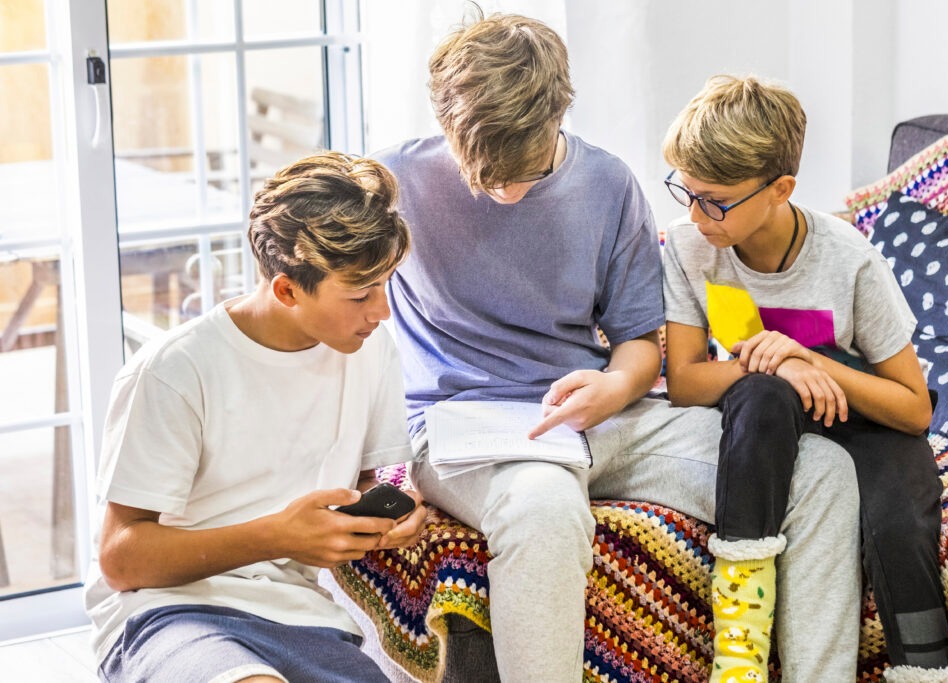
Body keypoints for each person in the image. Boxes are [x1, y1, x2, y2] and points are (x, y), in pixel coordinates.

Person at [374, 9, 863, 682]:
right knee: (544, 506)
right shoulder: (393, 181)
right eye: (479, 168)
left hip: (598, 421)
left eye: (518, 170)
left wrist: (613, 386)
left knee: (821, 472)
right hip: (466, 435)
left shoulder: (607, 185)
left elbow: (640, 344)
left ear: (557, 116)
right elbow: (334, 310)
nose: (499, 189)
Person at [84, 151, 428, 683]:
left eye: (385, 286)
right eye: (360, 294)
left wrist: (396, 506)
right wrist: (277, 536)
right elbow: (121, 559)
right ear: (287, 289)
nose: (381, 311)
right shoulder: (176, 370)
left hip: (303, 616)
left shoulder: (370, 350)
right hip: (169, 612)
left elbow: (378, 476)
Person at [661, 75, 948, 683]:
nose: (695, 215)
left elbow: (913, 410)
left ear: (781, 190)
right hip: (765, 408)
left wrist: (812, 359)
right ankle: (739, 657)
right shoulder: (692, 247)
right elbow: (686, 384)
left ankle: (924, 667)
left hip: (862, 416)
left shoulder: (849, 259)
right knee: (763, 391)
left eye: (715, 201)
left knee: (900, 524)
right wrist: (783, 366)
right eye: (685, 193)